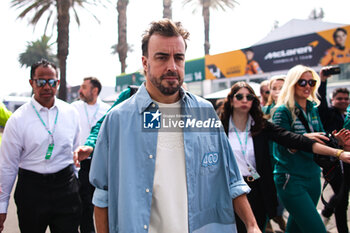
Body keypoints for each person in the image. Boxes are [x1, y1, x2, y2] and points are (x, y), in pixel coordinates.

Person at [89, 19, 261, 233]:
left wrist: (252, 225)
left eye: (178, 58)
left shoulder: (204, 113)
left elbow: (232, 178)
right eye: (161, 57)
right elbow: (102, 195)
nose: (172, 66)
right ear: (145, 63)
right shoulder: (117, 120)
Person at [218, 81, 350, 233]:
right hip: (230, 190)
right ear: (231, 100)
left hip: (258, 189)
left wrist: (338, 153)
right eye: (239, 96)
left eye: (249, 97)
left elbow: (296, 140)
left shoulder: (261, 126)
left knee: (258, 227)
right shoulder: (219, 127)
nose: (244, 100)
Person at [0, 59, 81, 233]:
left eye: (52, 82)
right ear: (32, 83)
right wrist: (2, 206)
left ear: (58, 83)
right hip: (31, 190)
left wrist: (75, 184)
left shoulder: (71, 114)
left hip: (65, 188)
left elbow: (74, 151)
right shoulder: (18, 120)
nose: (46, 86)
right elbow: (8, 166)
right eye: (41, 81)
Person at [271, 64, 348, 233]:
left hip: (313, 177)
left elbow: (319, 137)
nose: (308, 86)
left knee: (296, 229)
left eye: (312, 83)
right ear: (292, 83)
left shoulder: (313, 108)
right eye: (302, 82)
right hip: (291, 179)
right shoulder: (281, 111)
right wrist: (304, 139)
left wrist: (335, 140)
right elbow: (281, 146)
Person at [71, 77, 110, 233]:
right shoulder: (74, 108)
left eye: (84, 87)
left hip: (99, 162)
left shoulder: (107, 110)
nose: (81, 90)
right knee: (83, 205)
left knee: (101, 202)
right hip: (79, 163)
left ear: (95, 90)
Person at [318, 70, 350, 233]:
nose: (343, 101)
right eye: (339, 98)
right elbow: (321, 102)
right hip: (333, 162)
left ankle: (325, 213)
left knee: (342, 194)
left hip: (347, 160)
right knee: (342, 198)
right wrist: (323, 81)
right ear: (333, 100)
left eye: (346, 99)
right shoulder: (328, 113)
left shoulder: (347, 115)